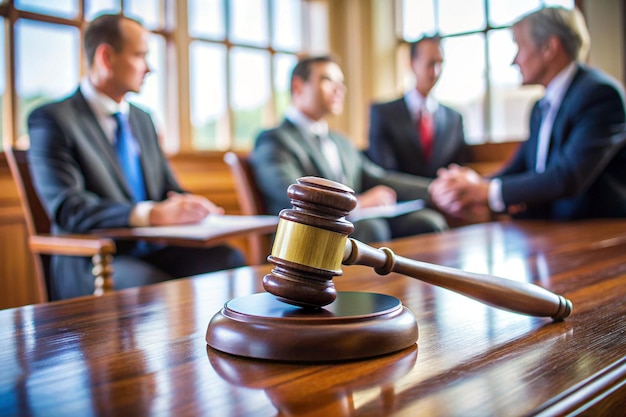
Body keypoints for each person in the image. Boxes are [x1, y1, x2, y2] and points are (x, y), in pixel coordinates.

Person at [27, 14, 245, 300]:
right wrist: (151, 214)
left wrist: (191, 206)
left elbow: (168, 189)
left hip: (155, 248)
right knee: (151, 288)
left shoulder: (143, 119)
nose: (149, 68)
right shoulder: (53, 120)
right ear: (106, 57)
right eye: (141, 55)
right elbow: (70, 208)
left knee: (229, 260)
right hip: (94, 259)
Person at [430, 7, 626, 221]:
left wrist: (483, 191)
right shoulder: (540, 106)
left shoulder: (600, 95)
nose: (514, 60)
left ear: (549, 47)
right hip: (549, 230)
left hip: (597, 230)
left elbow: (567, 177)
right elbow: (519, 168)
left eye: (519, 46)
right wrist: (469, 187)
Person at [249, 55, 448, 243]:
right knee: (372, 228)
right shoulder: (274, 140)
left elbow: (377, 177)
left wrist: (434, 189)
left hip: (352, 226)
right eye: (328, 80)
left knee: (427, 222)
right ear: (298, 87)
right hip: (306, 238)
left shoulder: (341, 142)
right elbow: (293, 195)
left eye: (341, 82)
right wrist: (357, 204)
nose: (340, 89)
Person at [366, 36, 470, 178]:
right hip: (400, 198)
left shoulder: (455, 118)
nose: (436, 72)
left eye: (440, 63)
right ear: (412, 63)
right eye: (430, 63)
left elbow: (457, 168)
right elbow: (384, 172)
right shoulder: (382, 113)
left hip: (444, 199)